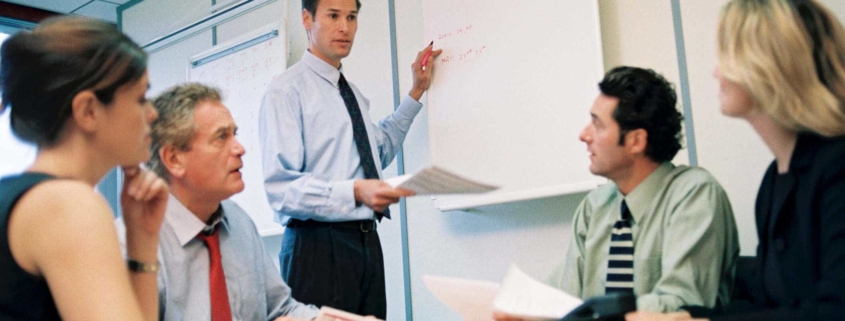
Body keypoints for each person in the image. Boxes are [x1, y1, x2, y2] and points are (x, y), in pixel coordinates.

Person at [627, 1, 845, 320]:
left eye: (726, 56)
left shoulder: (837, 167)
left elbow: (836, 310)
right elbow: (774, 304)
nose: (716, 71)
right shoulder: (776, 179)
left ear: (766, 65)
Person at [495, 67, 740, 320]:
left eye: (597, 125)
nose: (583, 135)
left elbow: (681, 302)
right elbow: (563, 299)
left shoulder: (694, 194)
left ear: (636, 141)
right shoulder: (595, 206)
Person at [258, 0, 441, 317]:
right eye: (333, 16)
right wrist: (355, 192)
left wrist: (416, 91)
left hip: (366, 243)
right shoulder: (285, 91)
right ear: (306, 19)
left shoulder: (351, 93)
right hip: (315, 246)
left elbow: (378, 150)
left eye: (351, 17)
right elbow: (282, 189)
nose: (344, 27)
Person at [0, 16, 167, 320]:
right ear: (88, 110)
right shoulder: (68, 204)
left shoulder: (17, 195)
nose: (153, 114)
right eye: (140, 99)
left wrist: (142, 239)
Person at [116, 83, 325, 320]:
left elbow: (281, 309)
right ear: (174, 159)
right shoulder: (130, 244)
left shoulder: (239, 222)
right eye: (221, 137)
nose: (240, 149)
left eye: (234, 134)